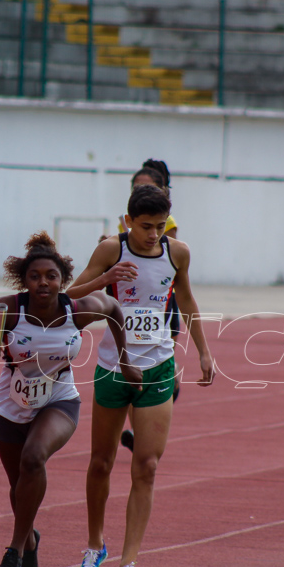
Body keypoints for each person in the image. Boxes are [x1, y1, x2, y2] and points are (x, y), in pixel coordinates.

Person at [0, 232, 140, 567]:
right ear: (24, 281)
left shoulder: (77, 311)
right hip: (10, 406)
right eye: (35, 277)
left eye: (51, 276)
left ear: (63, 281)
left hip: (59, 399)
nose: (43, 283)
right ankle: (30, 542)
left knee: (34, 459)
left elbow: (114, 309)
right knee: (17, 491)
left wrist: (125, 361)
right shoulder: (7, 310)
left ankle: (13, 551)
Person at [67, 184, 214, 567]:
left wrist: (203, 351)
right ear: (128, 221)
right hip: (113, 367)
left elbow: (186, 300)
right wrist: (107, 278)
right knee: (101, 461)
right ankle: (95, 546)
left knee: (146, 466)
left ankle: (128, 563)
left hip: (158, 367)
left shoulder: (177, 253)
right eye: (145, 227)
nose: (153, 235)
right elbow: (69, 297)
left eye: (159, 227)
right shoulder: (111, 250)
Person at [119, 160, 181, 453]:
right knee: (132, 367)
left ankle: (170, 383)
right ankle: (135, 425)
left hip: (160, 305)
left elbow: (167, 258)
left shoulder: (167, 226)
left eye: (148, 187)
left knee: (158, 360)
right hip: (128, 304)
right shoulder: (126, 220)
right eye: (136, 187)